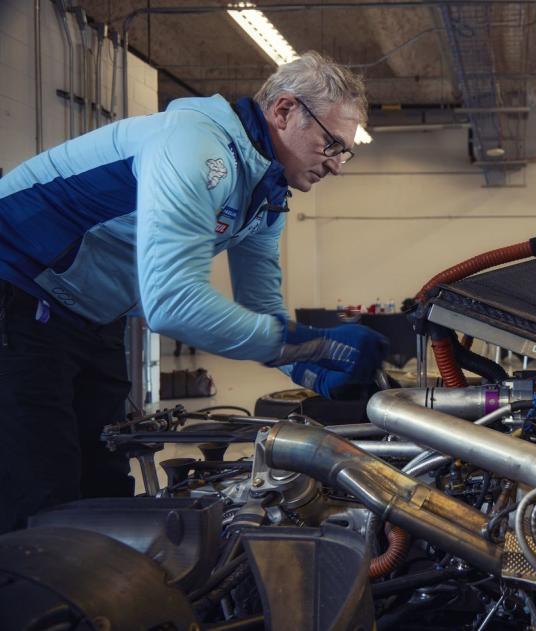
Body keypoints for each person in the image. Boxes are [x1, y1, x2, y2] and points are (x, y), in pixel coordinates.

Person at [0, 51, 387, 532]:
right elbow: (172, 304)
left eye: (344, 152)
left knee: (103, 489)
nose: (337, 166)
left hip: (86, 317)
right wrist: (319, 342)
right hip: (15, 290)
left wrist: (312, 369)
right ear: (285, 111)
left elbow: (262, 314)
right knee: (39, 496)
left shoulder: (265, 195)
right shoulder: (195, 144)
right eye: (332, 144)